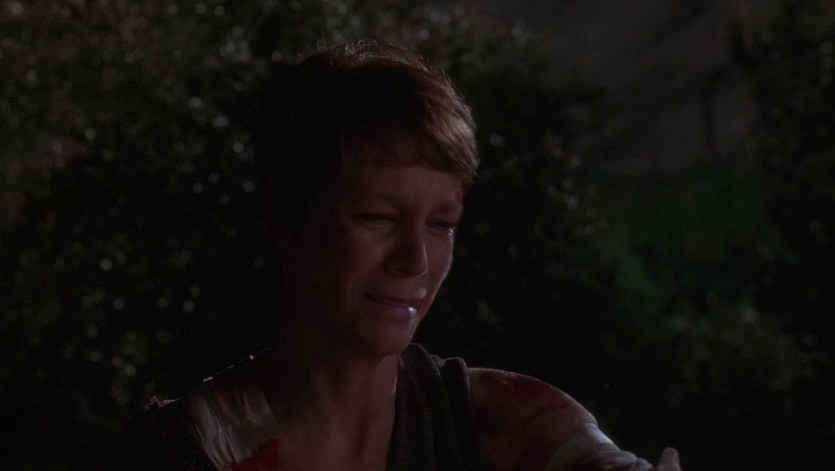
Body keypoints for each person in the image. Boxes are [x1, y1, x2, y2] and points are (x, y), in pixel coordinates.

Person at [100, 41, 682, 471]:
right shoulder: (184, 452)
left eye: (441, 224)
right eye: (377, 218)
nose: (416, 262)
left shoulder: (499, 424)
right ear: (282, 214)